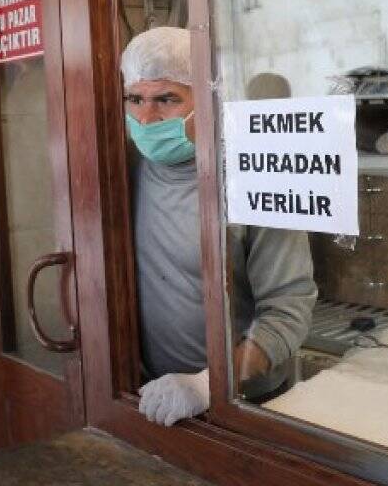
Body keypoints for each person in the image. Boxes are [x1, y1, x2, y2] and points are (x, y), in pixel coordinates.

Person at [122, 27, 316, 427]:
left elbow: (288, 309)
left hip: (245, 403)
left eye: (167, 99)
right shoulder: (123, 172)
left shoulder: (254, 179)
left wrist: (210, 384)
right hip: (149, 397)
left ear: (209, 100)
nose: (145, 117)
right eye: (135, 99)